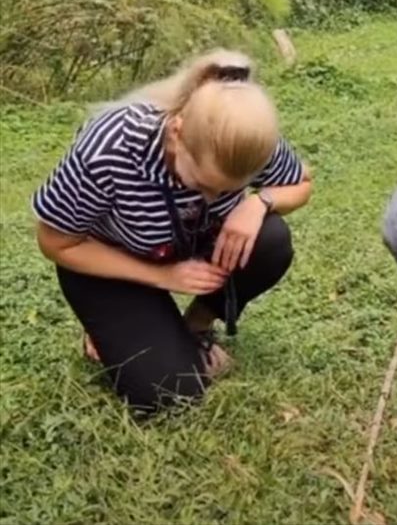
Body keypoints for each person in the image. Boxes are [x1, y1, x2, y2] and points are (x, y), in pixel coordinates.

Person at [32, 49, 312, 414]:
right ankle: (116, 328)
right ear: (177, 133)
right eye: (200, 183)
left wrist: (258, 203)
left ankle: (193, 327)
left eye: (228, 189)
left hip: (184, 246)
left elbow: (301, 185)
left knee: (270, 241)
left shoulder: (243, 138)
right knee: (168, 394)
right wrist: (161, 276)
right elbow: (55, 242)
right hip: (108, 261)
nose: (211, 197)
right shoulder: (111, 147)